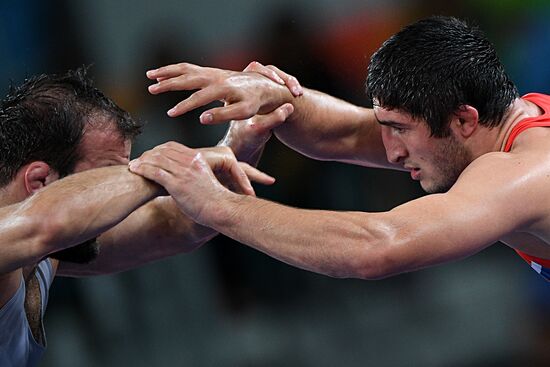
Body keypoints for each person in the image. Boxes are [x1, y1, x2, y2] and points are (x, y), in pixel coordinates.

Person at [131, 16, 550, 282]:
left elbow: (377, 247)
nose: (391, 154)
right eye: (386, 127)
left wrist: (217, 206)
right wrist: (277, 95)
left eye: (399, 130)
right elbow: (344, 132)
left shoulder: (523, 173)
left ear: (463, 119)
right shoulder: (507, 121)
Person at [0, 67, 292, 367]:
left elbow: (179, 222)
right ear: (39, 182)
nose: (119, 207)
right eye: (104, 181)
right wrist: (159, 173)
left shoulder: (43, 254)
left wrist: (244, 134)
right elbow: (47, 220)